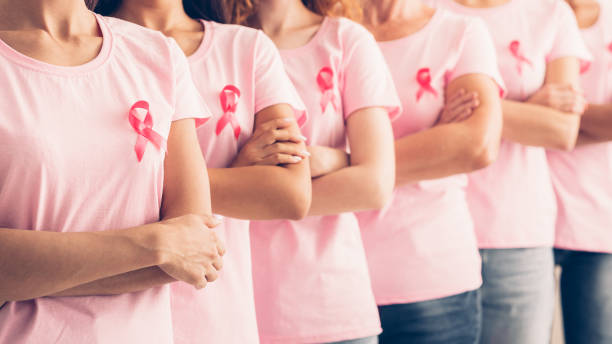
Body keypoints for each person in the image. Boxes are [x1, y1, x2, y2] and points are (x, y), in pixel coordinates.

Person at [83, 0, 313, 343]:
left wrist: (159, 183)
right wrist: (233, 175)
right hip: (110, 318)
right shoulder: (81, 52)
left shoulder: (246, 48)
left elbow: (290, 195)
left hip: (218, 317)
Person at [0, 0, 224, 342]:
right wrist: (155, 243)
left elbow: (196, 248)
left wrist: (28, 273)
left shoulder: (157, 54)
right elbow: (175, 247)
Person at [218, 0, 401, 342]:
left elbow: (374, 185)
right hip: (233, 307)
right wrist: (337, 160)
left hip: (329, 306)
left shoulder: (347, 40)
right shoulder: (218, 43)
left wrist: (255, 190)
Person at [425, 0, 591, 343]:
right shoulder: (422, 11)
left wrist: (467, 106)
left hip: (518, 237)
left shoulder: (550, 12)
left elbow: (561, 131)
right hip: (429, 235)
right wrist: (528, 112)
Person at [352, 0, 504, 343]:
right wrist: (433, 145)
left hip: (431, 278)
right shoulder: (323, 33)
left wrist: (339, 163)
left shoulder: (460, 32)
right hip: (329, 282)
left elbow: (475, 146)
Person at [547, 0, 612, 343]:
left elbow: (548, 127)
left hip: (598, 220)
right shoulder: (531, 14)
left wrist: (547, 119)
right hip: (526, 224)